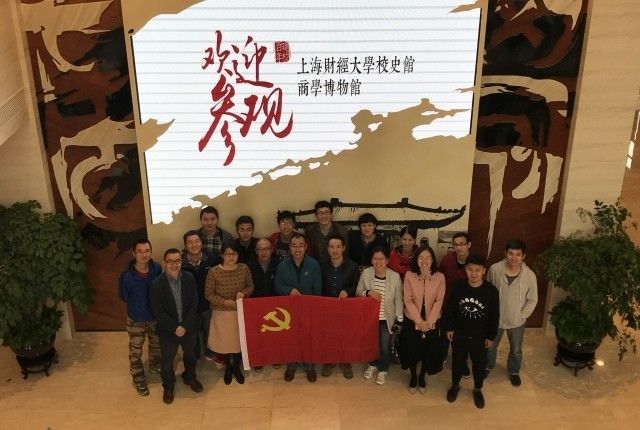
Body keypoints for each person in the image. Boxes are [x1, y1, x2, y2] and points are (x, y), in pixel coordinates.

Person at [442, 254, 499, 409]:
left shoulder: (491, 291)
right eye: (470, 269)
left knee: (479, 364)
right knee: (457, 361)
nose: (473, 273)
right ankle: (455, 385)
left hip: (480, 336)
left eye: (477, 270)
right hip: (459, 333)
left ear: (484, 271)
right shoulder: (458, 287)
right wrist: (449, 327)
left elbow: (494, 316)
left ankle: (478, 388)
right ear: (465, 269)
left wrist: (490, 336)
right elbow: (450, 309)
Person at [149, 248, 203, 405]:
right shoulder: (156, 284)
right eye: (170, 261)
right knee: (167, 360)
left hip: (189, 326)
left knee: (191, 355)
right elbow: (158, 311)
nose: (174, 264)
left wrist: (184, 325)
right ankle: (168, 385)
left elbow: (194, 304)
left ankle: (190, 377)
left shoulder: (189, 278)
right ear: (164, 263)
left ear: (181, 262)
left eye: (177, 261)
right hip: (168, 330)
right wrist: (175, 327)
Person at [486, 239, 538, 387]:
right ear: (505, 253)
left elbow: (532, 299)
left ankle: (514, 371)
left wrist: (522, 315)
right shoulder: (495, 269)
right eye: (510, 253)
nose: (513, 258)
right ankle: (487, 366)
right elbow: (487, 291)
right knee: (490, 346)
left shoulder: (529, 276)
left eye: (518, 254)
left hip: (517, 321)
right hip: (495, 319)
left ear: (523, 256)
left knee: (516, 349)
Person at [118, 239, 163, 396]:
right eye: (140, 251)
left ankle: (155, 366)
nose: (144, 255)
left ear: (151, 252)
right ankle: (138, 378)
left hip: (154, 317)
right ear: (134, 253)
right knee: (135, 351)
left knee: (156, 345)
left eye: (147, 251)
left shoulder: (156, 268)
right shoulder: (127, 276)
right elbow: (123, 297)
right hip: (136, 320)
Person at [275, 233, 322, 382]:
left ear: (306, 247)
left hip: (309, 309)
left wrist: (313, 307)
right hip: (288, 310)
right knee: (291, 338)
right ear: (289, 247)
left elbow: (318, 288)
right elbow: (277, 285)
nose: (297, 249)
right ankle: (291, 365)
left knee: (307, 337)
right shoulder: (282, 265)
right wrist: (289, 290)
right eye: (294, 245)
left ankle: (309, 366)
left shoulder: (314, 264)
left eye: (301, 245)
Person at [205, 244, 254, 385]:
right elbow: (208, 294)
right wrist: (225, 302)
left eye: (234, 254)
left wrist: (243, 293)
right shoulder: (214, 271)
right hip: (221, 313)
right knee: (225, 344)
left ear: (238, 255)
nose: (231, 257)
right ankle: (228, 368)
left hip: (240, 312)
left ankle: (236, 367)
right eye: (228, 254)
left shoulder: (244, 268)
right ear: (222, 255)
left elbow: (251, 286)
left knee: (238, 342)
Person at [355, 246, 404, 386]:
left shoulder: (394, 276)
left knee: (384, 346)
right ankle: (372, 364)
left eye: (381, 259)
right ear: (371, 260)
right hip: (369, 318)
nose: (378, 262)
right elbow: (358, 292)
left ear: (387, 260)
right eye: (375, 259)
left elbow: (399, 299)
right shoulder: (366, 273)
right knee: (371, 344)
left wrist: (399, 319)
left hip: (386, 319)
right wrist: (368, 292)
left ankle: (383, 369)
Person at [402, 246, 446, 394]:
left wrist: (429, 322)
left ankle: (422, 376)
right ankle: (413, 376)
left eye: (428, 257)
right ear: (416, 259)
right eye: (421, 257)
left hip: (431, 322)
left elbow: (439, 301)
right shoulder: (409, 275)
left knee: (428, 351)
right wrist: (419, 321)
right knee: (412, 350)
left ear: (433, 260)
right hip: (412, 319)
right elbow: (408, 300)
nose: (424, 261)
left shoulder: (440, 277)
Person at [320, 234, 360, 379]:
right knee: (329, 335)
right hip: (327, 308)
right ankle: (329, 361)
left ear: (343, 248)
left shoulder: (352, 266)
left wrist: (348, 291)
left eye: (338, 247)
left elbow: (358, 286)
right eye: (331, 247)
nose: (335, 250)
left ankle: (345, 361)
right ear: (327, 249)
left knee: (345, 335)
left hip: (346, 308)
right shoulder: (322, 265)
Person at [439, 232, 473, 378]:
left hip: (466, 306)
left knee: (462, 338)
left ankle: (462, 362)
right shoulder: (447, 260)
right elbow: (439, 279)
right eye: (456, 244)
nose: (459, 247)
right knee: (444, 335)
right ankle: (441, 357)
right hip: (447, 303)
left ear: (469, 245)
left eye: (462, 244)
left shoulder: (474, 262)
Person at [180, 230, 216, 362]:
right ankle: (195, 355)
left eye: (196, 241)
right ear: (185, 245)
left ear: (201, 243)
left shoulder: (212, 259)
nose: (194, 245)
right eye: (190, 242)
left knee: (209, 330)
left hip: (208, 304)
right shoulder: (180, 262)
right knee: (192, 333)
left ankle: (209, 351)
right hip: (189, 307)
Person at [305, 200, 349, 265]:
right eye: (320, 213)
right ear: (316, 215)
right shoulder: (310, 230)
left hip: (335, 266)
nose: (323, 216)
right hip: (315, 266)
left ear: (331, 214)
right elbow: (308, 251)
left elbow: (345, 253)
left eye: (326, 212)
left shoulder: (342, 231)